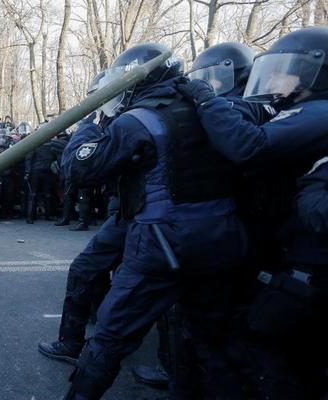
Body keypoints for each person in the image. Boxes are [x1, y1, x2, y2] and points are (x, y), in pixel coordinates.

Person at [61, 43, 248, 399]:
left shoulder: (139, 120)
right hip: (223, 239)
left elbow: (79, 169)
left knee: (110, 335)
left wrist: (92, 121)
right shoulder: (215, 106)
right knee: (209, 338)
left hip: (163, 242)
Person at [178, 27, 328, 398]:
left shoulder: (320, 112)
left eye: (285, 69)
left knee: (261, 344)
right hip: (284, 247)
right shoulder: (295, 108)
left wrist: (207, 101)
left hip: (309, 258)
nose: (273, 79)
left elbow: (249, 145)